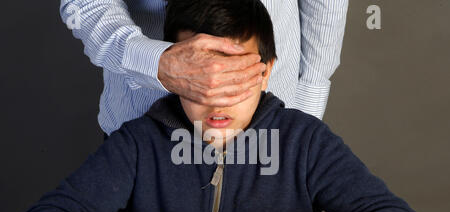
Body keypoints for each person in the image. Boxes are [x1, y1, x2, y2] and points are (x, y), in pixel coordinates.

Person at [15, 0, 424, 212]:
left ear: (266, 74)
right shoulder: (140, 142)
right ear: (179, 73)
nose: (216, 99)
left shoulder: (304, 143)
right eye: (202, 81)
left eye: (235, 80)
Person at [60, 0, 349, 136]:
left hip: (273, 125)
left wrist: (305, 109)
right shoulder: (128, 157)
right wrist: (155, 63)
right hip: (143, 120)